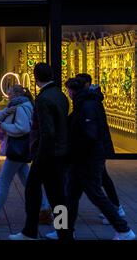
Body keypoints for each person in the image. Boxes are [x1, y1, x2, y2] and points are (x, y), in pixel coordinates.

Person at [61, 77, 135, 240]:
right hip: (81, 159)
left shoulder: (85, 106)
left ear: (72, 91)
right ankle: (63, 231)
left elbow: (89, 135)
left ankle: (123, 229)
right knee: (69, 196)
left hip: (85, 160)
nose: (68, 94)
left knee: (95, 196)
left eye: (68, 91)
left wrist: (75, 154)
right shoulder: (86, 104)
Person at [0, 85, 53, 225]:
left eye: (9, 93)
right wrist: (4, 114)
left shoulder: (20, 108)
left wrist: (4, 126)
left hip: (17, 150)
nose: (7, 96)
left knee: (3, 181)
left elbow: (22, 128)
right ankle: (45, 209)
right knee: (29, 182)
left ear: (15, 94)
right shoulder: (21, 105)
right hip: (22, 150)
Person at [9, 63, 71, 240]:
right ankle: (63, 232)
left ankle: (30, 231)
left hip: (46, 155)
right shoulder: (60, 95)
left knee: (32, 192)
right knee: (58, 195)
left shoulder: (43, 99)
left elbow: (47, 131)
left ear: (35, 77)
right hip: (59, 153)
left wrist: (39, 155)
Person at [75, 73, 126, 224]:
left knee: (86, 190)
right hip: (86, 153)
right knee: (70, 194)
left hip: (87, 154)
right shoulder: (89, 101)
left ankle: (119, 219)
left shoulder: (88, 103)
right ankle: (62, 229)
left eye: (73, 88)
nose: (71, 92)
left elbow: (89, 131)